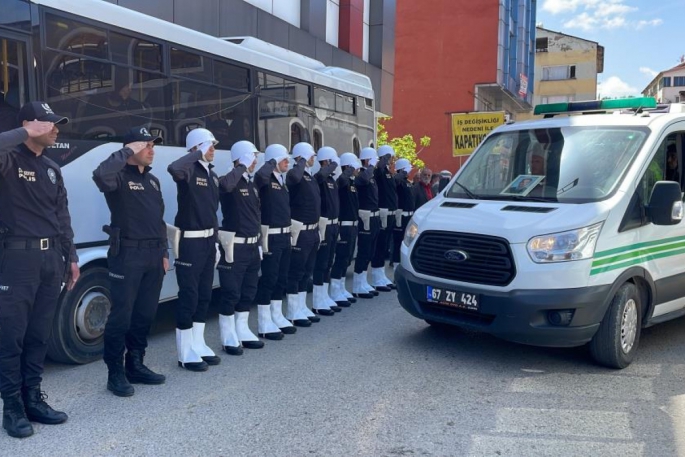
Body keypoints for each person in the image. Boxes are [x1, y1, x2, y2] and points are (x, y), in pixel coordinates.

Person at [0, 103, 79, 438]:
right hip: (16, 260)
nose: (56, 129)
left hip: (51, 261)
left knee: (38, 336)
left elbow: (62, 216)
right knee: (11, 338)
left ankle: (33, 398)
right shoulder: (9, 160)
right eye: (49, 123)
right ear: (29, 125)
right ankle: (12, 408)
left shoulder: (51, 167)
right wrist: (23, 133)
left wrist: (71, 257)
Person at [93, 126, 168, 398]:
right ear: (132, 149)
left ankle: (135, 363)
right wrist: (126, 151)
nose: (151, 150)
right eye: (146, 145)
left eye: (152, 145)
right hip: (127, 255)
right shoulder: (117, 177)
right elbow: (100, 175)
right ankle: (115, 372)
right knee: (121, 316)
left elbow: (159, 221)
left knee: (145, 314)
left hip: (152, 256)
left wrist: (164, 253)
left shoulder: (153, 181)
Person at [167, 128, 221, 372]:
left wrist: (217, 241)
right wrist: (196, 153)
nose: (213, 150)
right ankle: (184, 352)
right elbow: (174, 168)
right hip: (190, 242)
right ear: (197, 147)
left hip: (209, 241)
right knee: (189, 296)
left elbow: (212, 212)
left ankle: (198, 344)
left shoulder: (211, 174)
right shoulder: (188, 169)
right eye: (209, 146)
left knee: (204, 295)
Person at [216, 140, 266, 353]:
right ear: (241, 158)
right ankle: (228, 336)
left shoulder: (251, 183)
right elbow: (225, 186)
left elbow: (256, 214)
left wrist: (259, 243)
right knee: (231, 293)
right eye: (251, 157)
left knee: (248, 291)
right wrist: (241, 166)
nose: (255, 161)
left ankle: (242, 330)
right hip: (234, 246)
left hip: (252, 246)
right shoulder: (229, 180)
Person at [253, 144, 297, 336]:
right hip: (271, 235)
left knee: (281, 278)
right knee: (269, 278)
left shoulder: (282, 180)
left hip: (285, 234)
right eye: (284, 159)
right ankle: (264, 323)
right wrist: (271, 162)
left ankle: (277, 316)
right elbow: (259, 177)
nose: (287, 162)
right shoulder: (266, 178)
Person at [285, 142, 321, 327]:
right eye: (311, 156)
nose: (313, 159)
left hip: (313, 230)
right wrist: (300, 161)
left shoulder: (309, 176)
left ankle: (301, 307)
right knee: (296, 272)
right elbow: (293, 178)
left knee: (307, 271)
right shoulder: (295, 174)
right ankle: (292, 311)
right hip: (301, 231)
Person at [312, 146, 341, 315]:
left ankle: (324, 296)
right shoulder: (320, 178)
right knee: (321, 262)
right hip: (324, 225)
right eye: (332, 161)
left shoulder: (331, 180)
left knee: (329, 261)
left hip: (333, 224)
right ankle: (317, 300)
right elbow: (320, 176)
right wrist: (329, 166)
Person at [330, 153, 362, 303]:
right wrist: (348, 169)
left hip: (353, 225)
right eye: (355, 167)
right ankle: (335, 290)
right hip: (344, 226)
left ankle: (341, 288)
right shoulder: (342, 181)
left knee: (347, 258)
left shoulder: (352, 182)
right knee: (341, 258)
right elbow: (341, 179)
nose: (358, 169)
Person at [353, 147, 381, 297]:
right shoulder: (363, 174)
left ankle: (363, 281)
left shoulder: (371, 174)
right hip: (366, 217)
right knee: (364, 250)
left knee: (371, 250)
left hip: (375, 215)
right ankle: (357, 285)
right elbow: (362, 180)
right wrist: (370, 166)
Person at [370, 145, 397, 291]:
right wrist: (383, 158)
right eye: (390, 156)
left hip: (391, 212)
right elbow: (378, 169)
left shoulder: (387, 172)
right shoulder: (379, 171)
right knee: (380, 245)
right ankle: (376, 276)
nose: (392, 159)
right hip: (383, 212)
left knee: (385, 244)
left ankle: (381, 274)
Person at [392, 159, 415, 272]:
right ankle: (396, 268)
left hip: (409, 216)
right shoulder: (398, 181)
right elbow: (395, 180)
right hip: (401, 216)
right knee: (398, 243)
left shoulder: (407, 182)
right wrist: (402, 173)